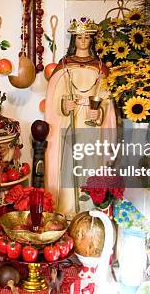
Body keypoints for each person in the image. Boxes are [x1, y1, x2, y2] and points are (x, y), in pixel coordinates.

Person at [44, 17, 117, 218]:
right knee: (69, 165)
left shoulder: (100, 67)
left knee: (90, 164)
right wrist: (63, 105)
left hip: (91, 126)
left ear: (92, 40)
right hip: (70, 124)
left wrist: (99, 112)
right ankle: (66, 210)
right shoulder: (64, 66)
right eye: (79, 37)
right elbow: (53, 98)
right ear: (73, 40)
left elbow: (107, 101)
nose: (83, 41)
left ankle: (89, 212)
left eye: (87, 37)